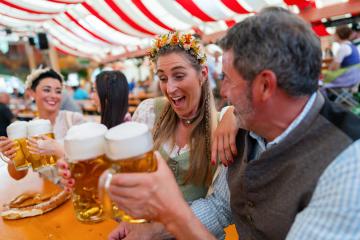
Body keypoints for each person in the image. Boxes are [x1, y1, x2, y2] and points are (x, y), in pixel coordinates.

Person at [103, 7, 360, 240]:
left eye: (227, 78)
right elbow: (220, 207)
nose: (222, 91)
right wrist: (153, 231)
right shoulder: (246, 127)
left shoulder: (348, 164)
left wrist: (173, 213)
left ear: (264, 86)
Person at [60, 32, 237, 239]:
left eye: (179, 76)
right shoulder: (149, 112)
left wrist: (234, 113)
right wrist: (95, 180)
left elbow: (220, 208)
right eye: (163, 78)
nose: (170, 88)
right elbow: (124, 177)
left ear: (203, 74)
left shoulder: (224, 126)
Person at [0, 67, 85, 181]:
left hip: (77, 188)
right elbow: (18, 176)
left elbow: (88, 162)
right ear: (31, 93)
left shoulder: (74, 120)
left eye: (58, 91)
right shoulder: (28, 129)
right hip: (49, 192)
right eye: (47, 90)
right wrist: (14, 158)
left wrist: (57, 149)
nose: (54, 95)